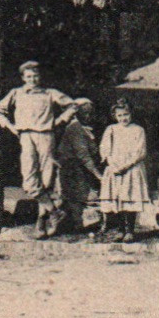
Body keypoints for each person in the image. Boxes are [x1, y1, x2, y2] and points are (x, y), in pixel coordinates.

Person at [0, 60, 76, 238]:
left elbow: (73, 105)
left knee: (47, 180)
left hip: (46, 135)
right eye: (29, 76)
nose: (33, 79)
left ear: (40, 76)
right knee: (30, 182)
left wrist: (59, 121)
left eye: (35, 75)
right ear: (23, 78)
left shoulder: (50, 93)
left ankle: (41, 222)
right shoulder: (16, 93)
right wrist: (10, 126)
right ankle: (54, 212)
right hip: (25, 136)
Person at [97, 98, 150, 242]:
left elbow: (140, 152)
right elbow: (105, 148)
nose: (123, 118)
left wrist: (125, 166)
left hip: (131, 168)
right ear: (115, 116)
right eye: (119, 115)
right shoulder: (111, 129)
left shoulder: (138, 130)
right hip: (114, 168)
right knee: (117, 199)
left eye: (126, 114)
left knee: (129, 198)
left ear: (131, 114)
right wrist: (112, 164)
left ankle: (129, 230)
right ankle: (120, 229)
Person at [56, 98, 104, 234]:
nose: (88, 116)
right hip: (71, 168)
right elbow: (83, 155)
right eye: (85, 113)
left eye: (90, 113)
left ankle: (74, 224)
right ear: (77, 113)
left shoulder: (84, 129)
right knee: (76, 196)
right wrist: (97, 174)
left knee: (77, 196)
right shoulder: (75, 128)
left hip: (78, 168)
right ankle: (76, 225)